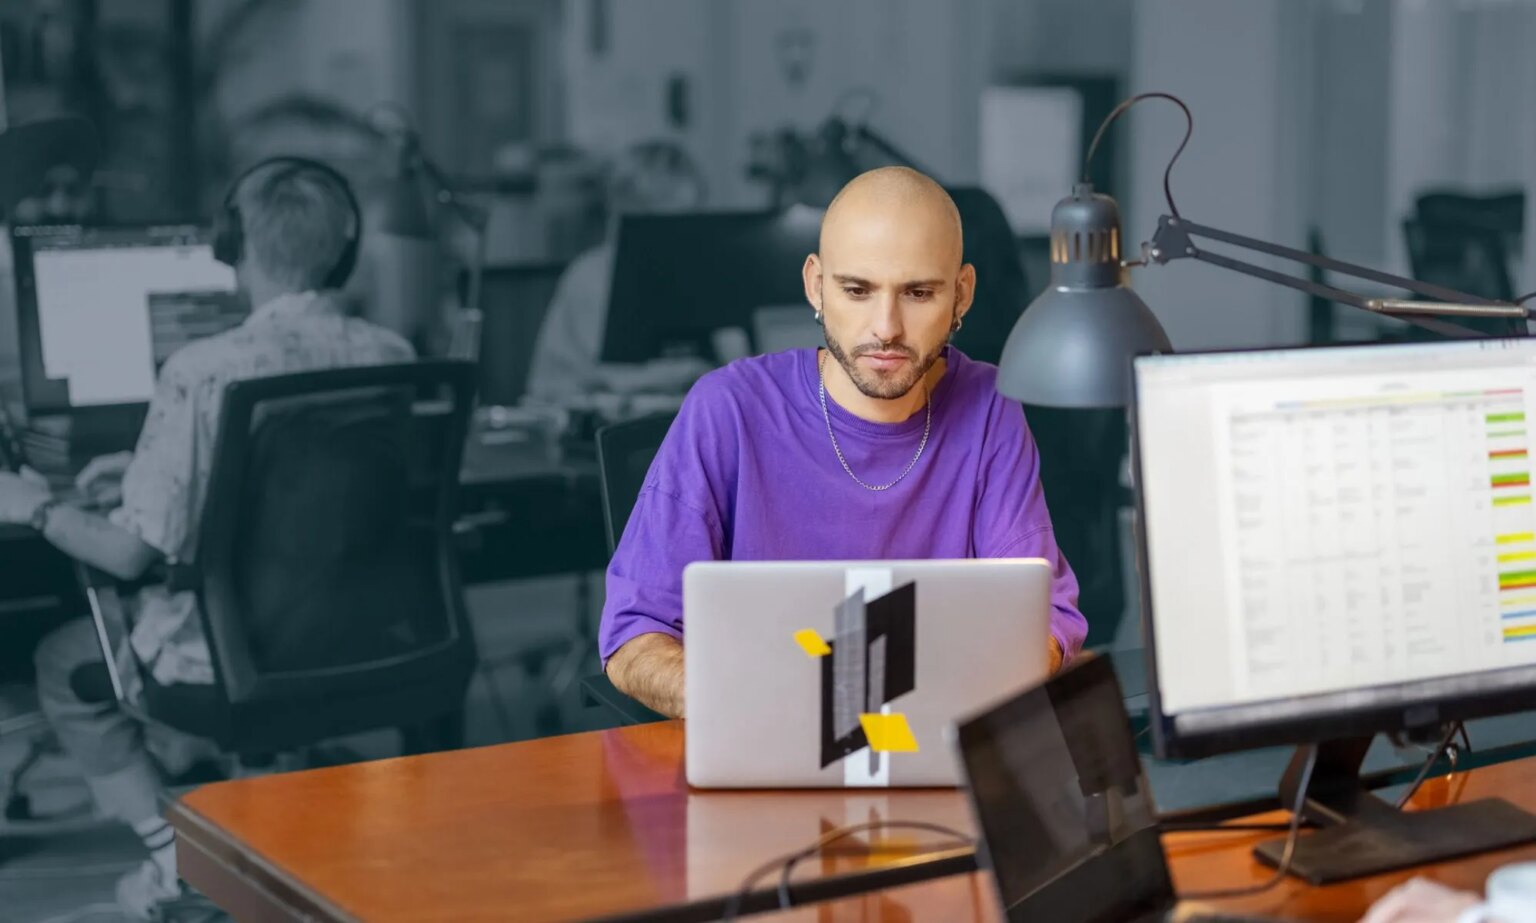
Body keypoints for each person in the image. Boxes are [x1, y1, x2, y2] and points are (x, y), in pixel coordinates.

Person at [0, 158, 414, 919]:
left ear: (235, 248)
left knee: (61, 663)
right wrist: (155, 464)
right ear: (343, 252)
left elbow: (129, 554)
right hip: (358, 632)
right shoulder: (392, 354)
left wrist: (32, 507)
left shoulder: (202, 369)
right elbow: (305, 473)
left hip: (230, 652)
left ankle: (174, 858)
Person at [599, 166, 1086, 718]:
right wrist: (761, 708)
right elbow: (633, 638)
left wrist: (947, 699)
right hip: (760, 733)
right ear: (815, 285)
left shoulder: (990, 410)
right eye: (856, 290)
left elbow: (1046, 620)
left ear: (962, 294)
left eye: (919, 293)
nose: (886, 328)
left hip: (926, 742)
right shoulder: (727, 409)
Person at [525, 140, 714, 403]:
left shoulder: (694, 271)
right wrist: (690, 371)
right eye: (669, 223)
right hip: (584, 416)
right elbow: (608, 377)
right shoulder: (592, 274)